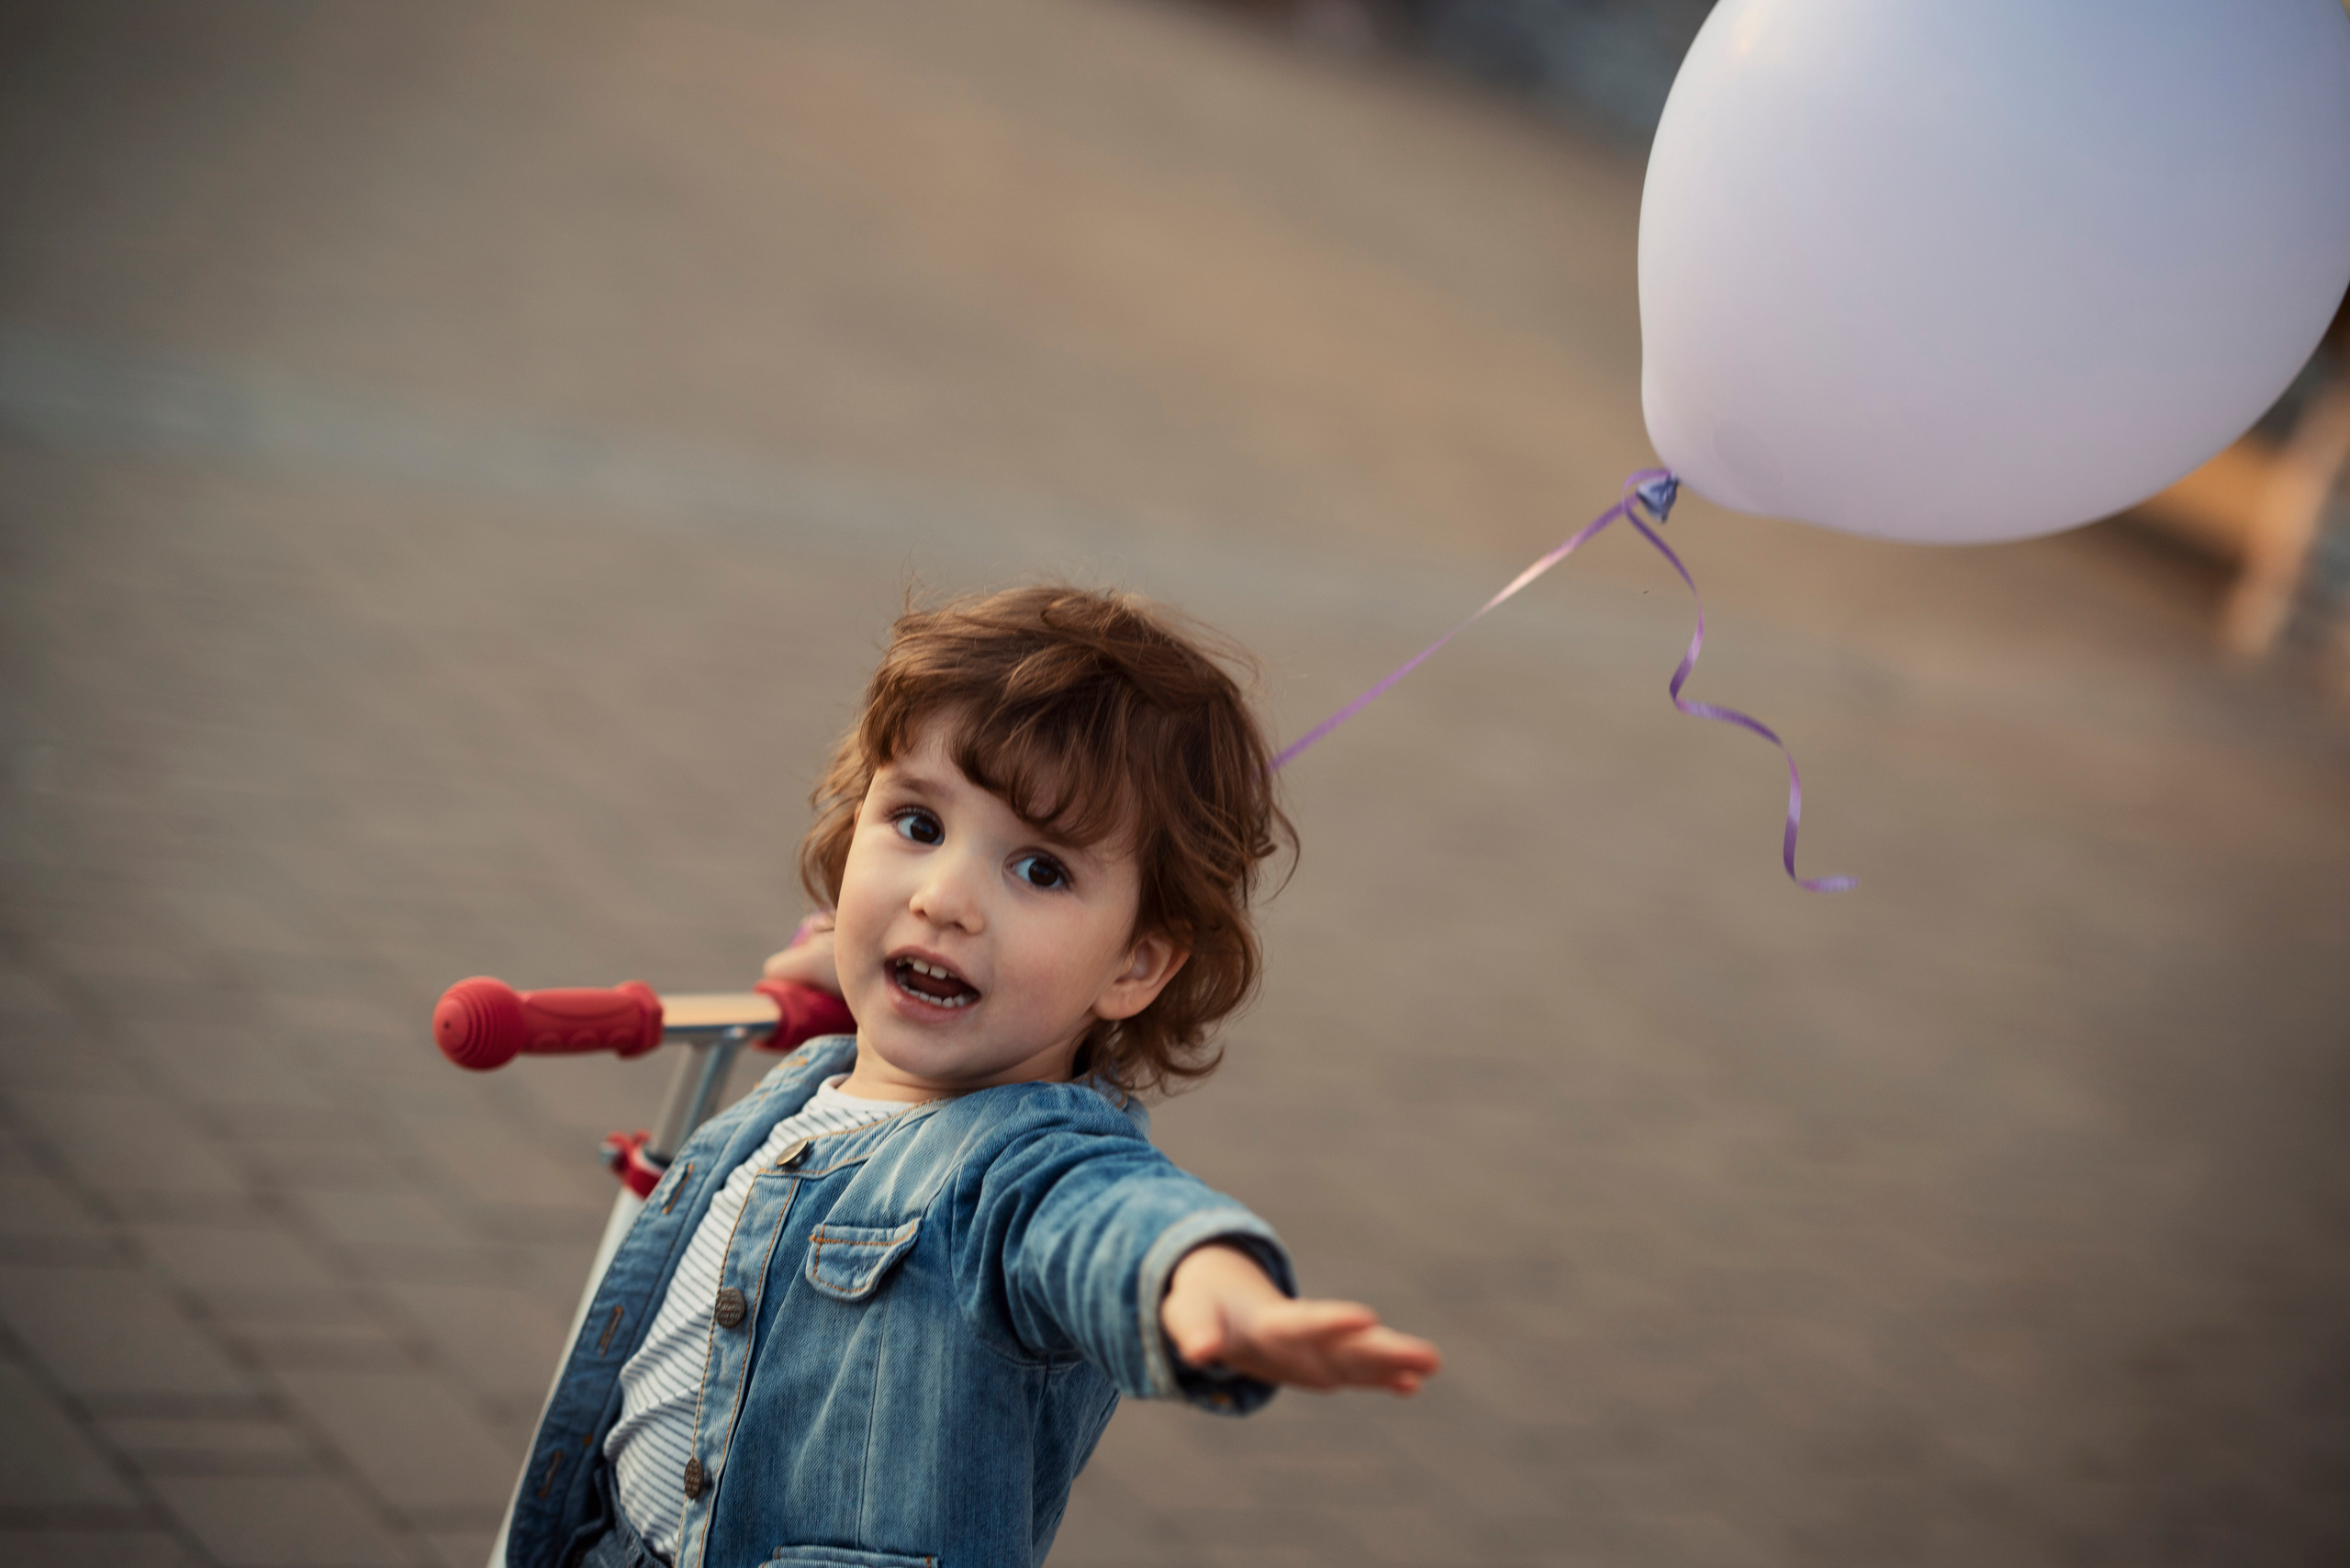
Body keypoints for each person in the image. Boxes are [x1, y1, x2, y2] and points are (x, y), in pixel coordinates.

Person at [505, 585, 1439, 1568]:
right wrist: (846, 963)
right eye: (916, 824)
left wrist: (1200, 1283)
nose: (944, 899)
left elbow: (1106, 1219)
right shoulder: (825, 1081)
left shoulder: (1018, 1167)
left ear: (1134, 965)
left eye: (1039, 871)